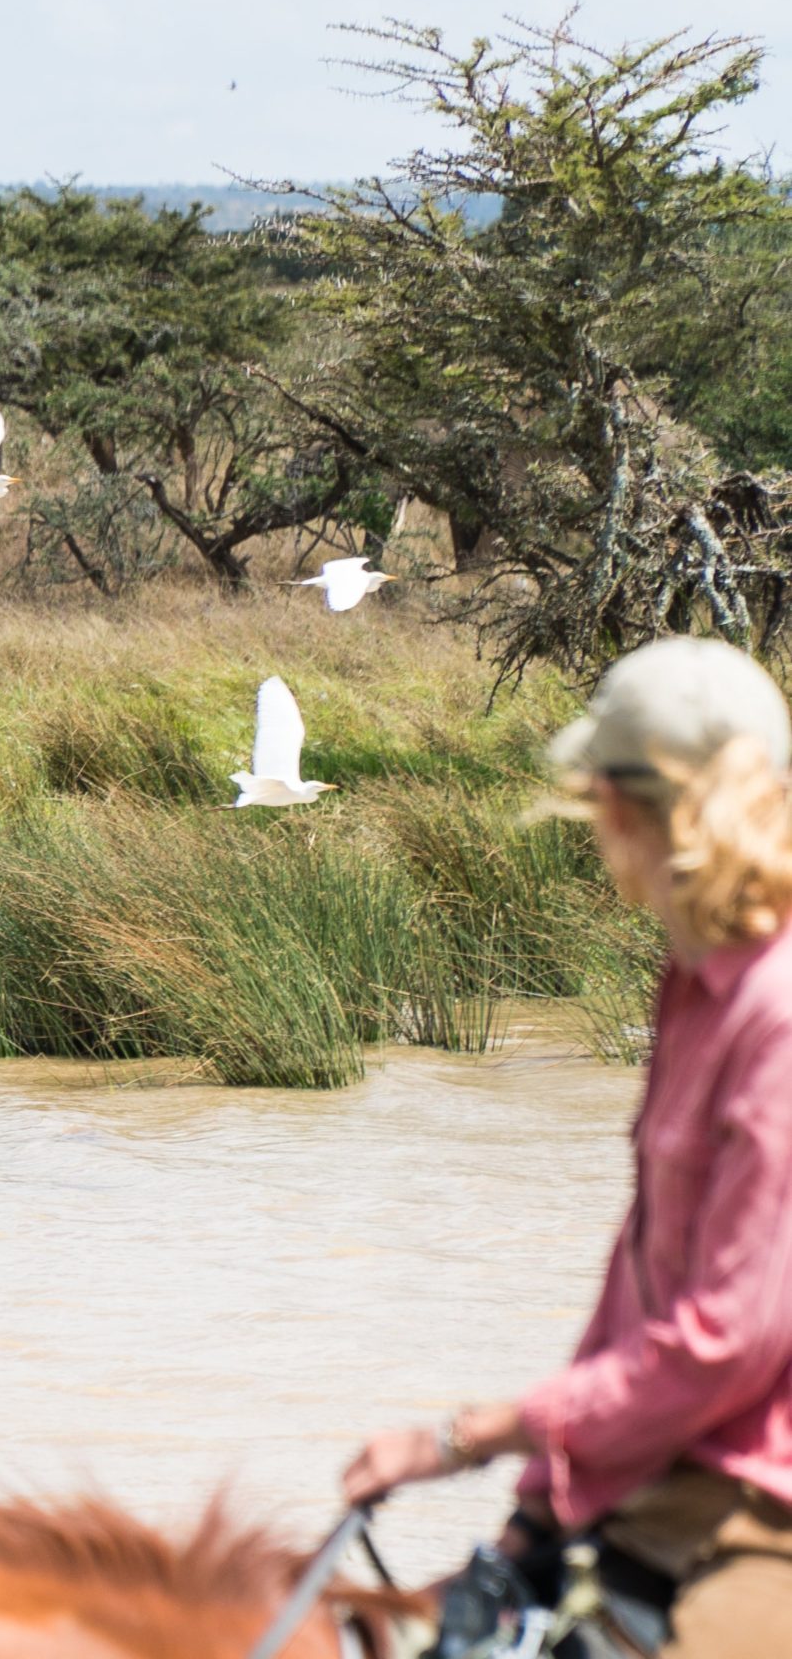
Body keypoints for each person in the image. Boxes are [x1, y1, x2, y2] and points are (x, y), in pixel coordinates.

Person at [343, 637, 792, 1658]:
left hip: (765, 1507)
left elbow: (726, 1341)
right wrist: (536, 1511)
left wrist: (458, 1439)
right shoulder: (690, 987)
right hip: (670, 1480)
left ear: (619, 808)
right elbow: (634, 1298)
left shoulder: (778, 1013)